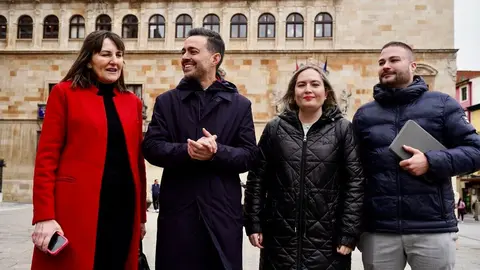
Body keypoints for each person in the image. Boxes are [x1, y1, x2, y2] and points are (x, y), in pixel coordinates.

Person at [353, 41, 480, 270]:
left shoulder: (442, 104)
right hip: (379, 231)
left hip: (432, 228)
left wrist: (431, 162)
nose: (386, 66)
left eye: (394, 60)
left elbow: (475, 151)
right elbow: (353, 171)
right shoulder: (364, 115)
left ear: (413, 66)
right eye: (381, 62)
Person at [31, 30, 147, 270]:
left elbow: (137, 163)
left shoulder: (132, 102)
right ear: (88, 59)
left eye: (119, 54)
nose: (114, 60)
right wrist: (44, 215)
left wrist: (141, 218)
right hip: (77, 208)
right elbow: (46, 159)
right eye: (106, 54)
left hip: (123, 209)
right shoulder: (64, 93)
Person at [142, 27, 257, 270]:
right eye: (183, 51)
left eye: (193, 51)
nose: (185, 56)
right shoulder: (167, 101)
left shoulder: (239, 105)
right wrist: (188, 151)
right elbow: (151, 147)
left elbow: (249, 156)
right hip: (179, 214)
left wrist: (216, 153)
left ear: (215, 59)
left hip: (223, 214)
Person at [244, 64, 365, 270]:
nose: (308, 89)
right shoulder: (275, 129)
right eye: (301, 85)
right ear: (293, 93)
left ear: (326, 93)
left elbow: (355, 184)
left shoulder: (343, 129)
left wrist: (348, 233)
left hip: (328, 242)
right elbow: (257, 180)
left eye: (314, 84)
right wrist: (253, 223)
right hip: (280, 240)